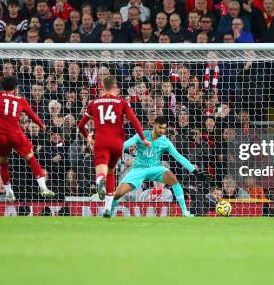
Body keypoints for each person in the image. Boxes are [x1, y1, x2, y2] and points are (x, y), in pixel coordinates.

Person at [108, 116, 210, 217]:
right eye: (160, 127)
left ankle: (184, 212)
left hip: (155, 168)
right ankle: (110, 212)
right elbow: (125, 145)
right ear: (154, 126)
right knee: (118, 194)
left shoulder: (165, 141)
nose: (162, 130)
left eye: (164, 128)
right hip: (139, 169)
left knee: (174, 180)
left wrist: (194, 171)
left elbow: (179, 157)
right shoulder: (142, 135)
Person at [77, 75, 150, 213]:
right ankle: (107, 209)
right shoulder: (122, 102)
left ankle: (100, 182)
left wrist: (88, 137)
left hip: (101, 141)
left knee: (101, 172)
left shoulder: (94, 103)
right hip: (117, 143)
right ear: (115, 87)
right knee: (111, 171)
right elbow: (135, 121)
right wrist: (143, 138)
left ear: (103, 88)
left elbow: (80, 125)